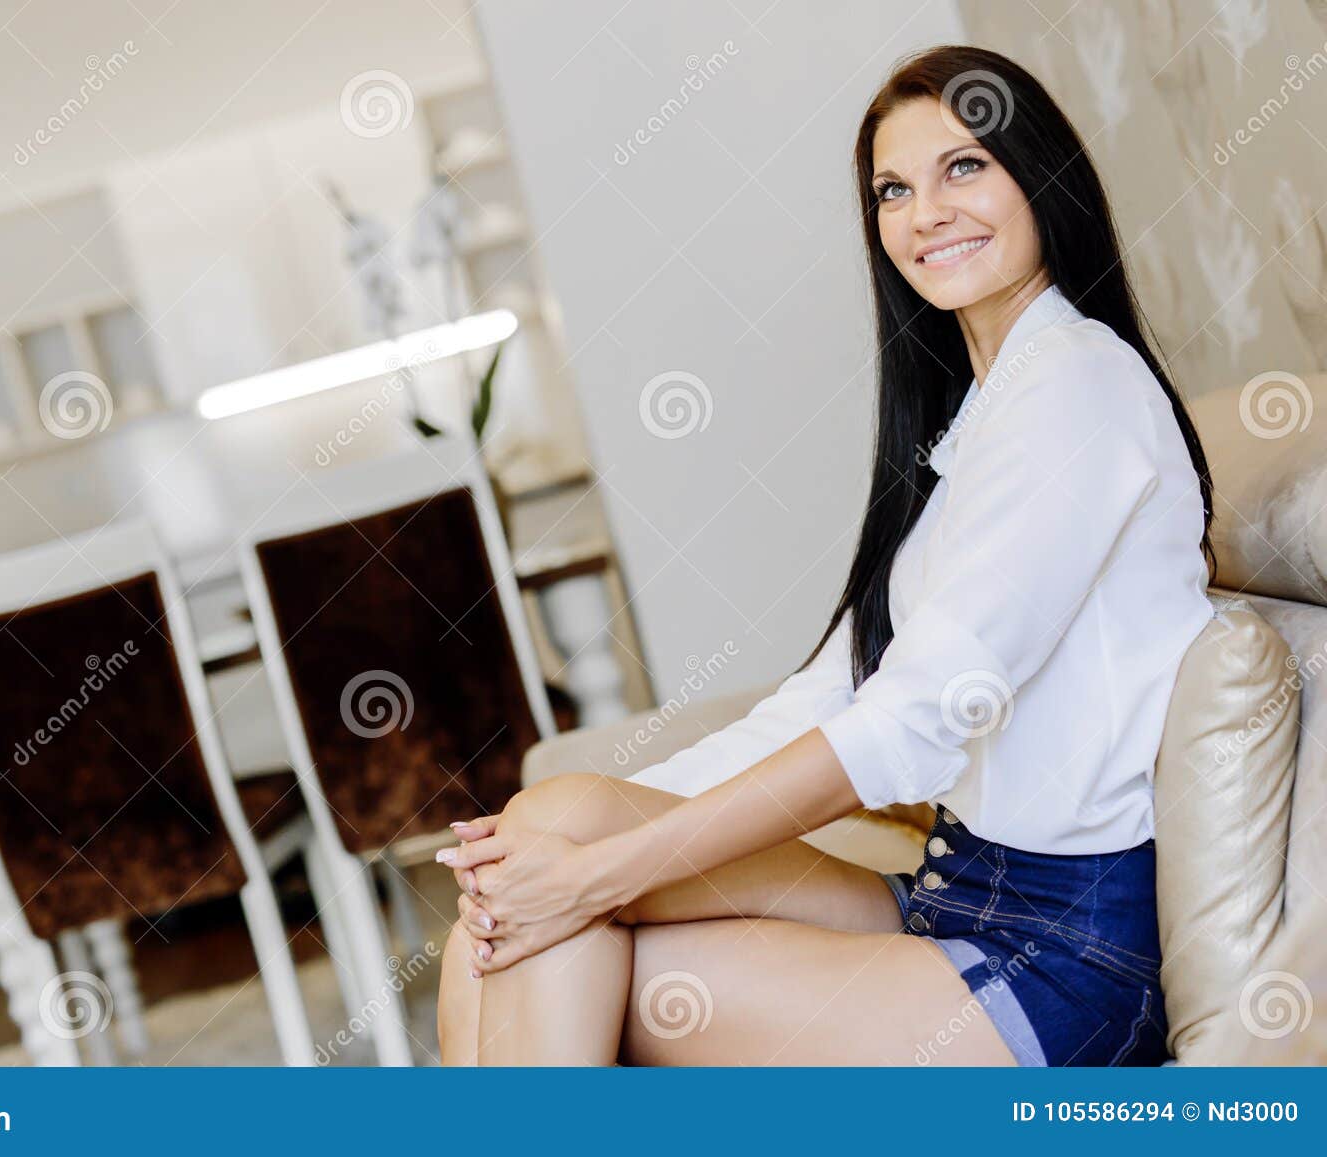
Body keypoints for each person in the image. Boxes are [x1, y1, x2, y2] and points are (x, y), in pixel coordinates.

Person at [434, 43, 1215, 1067]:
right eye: (894, 188)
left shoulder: (1078, 389)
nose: (926, 211)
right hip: (950, 893)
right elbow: (834, 691)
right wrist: (575, 850)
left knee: (590, 940)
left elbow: (910, 723)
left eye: (965, 166)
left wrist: (605, 875)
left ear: (1042, 175)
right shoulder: (980, 412)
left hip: (1059, 963)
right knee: (537, 842)